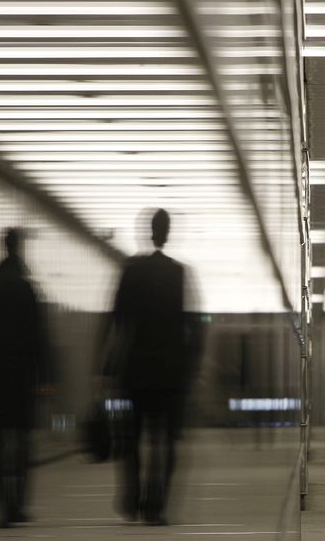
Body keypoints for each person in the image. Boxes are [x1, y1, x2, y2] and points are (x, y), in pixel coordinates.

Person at [105, 208, 198, 526]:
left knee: (130, 438)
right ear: (167, 232)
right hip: (170, 371)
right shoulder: (179, 273)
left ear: (148, 231)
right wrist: (190, 367)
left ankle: (132, 496)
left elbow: (116, 320)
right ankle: (155, 505)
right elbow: (193, 326)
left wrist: (105, 367)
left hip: (135, 368)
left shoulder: (131, 270)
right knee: (165, 440)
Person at [0, 227, 51, 528]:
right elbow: (39, 338)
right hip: (23, 378)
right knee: (22, 442)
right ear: (20, 249)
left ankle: (4, 508)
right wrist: (45, 378)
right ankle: (18, 504)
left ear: (2, 247)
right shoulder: (27, 290)